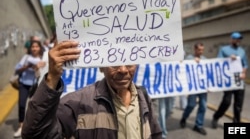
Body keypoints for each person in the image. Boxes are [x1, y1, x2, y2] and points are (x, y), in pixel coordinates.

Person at [21, 40, 162, 139]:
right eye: (114, 62)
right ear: (101, 67)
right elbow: (34, 134)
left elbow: (155, 135)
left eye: (129, 61)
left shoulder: (142, 97)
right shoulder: (78, 102)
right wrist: (52, 77)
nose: (123, 70)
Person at [211, 32, 248, 128]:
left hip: (239, 82)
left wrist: (244, 72)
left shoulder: (242, 51)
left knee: (238, 106)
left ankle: (236, 127)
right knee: (227, 102)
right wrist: (228, 58)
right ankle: (216, 117)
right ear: (231, 39)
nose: (238, 40)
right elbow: (218, 62)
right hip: (229, 81)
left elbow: (245, 64)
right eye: (236, 39)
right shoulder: (224, 49)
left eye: (239, 39)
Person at [14, 40, 46, 137]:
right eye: (33, 47)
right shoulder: (26, 57)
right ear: (30, 48)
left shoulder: (43, 58)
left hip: (36, 85)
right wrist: (28, 66)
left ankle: (34, 126)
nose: (34, 48)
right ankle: (21, 126)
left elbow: (44, 72)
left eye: (36, 46)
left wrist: (38, 67)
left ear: (40, 48)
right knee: (22, 105)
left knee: (35, 107)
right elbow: (17, 70)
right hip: (24, 84)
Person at [180, 42, 207, 135]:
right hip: (193, 88)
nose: (201, 52)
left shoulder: (205, 59)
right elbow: (182, 68)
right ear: (195, 49)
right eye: (199, 50)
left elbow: (209, 73)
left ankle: (198, 125)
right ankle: (184, 117)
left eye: (202, 50)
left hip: (203, 88)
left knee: (203, 106)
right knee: (191, 105)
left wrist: (210, 85)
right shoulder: (189, 58)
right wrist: (192, 62)